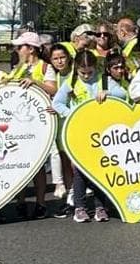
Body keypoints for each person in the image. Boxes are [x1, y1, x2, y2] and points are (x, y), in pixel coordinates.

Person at [52, 50, 127, 222]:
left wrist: (108, 93)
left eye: (90, 72)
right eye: (82, 73)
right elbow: (57, 103)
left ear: (96, 68)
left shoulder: (104, 80)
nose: (86, 76)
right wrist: (71, 114)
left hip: (101, 132)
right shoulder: (71, 82)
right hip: (80, 132)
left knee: (100, 168)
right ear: (76, 69)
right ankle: (80, 207)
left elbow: (123, 94)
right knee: (80, 170)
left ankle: (100, 207)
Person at [7, 31, 58, 219]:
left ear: (31, 49)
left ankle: (41, 203)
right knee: (19, 163)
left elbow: (53, 89)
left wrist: (35, 82)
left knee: (38, 165)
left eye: (20, 47)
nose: (18, 50)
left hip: (38, 122)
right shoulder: (17, 68)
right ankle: (20, 202)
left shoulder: (45, 67)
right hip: (18, 122)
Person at [46, 43, 75, 205]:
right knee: (64, 158)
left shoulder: (75, 74)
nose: (59, 61)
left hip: (74, 120)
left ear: (68, 58)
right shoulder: (56, 77)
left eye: (62, 57)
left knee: (74, 160)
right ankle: (70, 192)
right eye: (55, 59)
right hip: (60, 122)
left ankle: (79, 191)